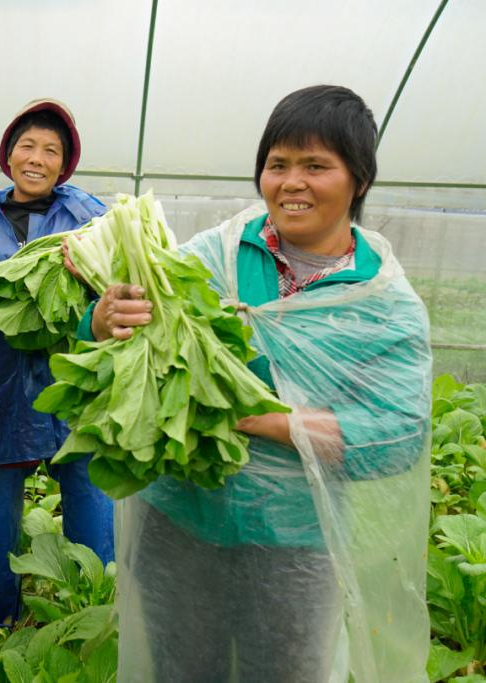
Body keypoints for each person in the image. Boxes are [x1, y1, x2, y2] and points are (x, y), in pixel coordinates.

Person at [87, 85, 432, 682]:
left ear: (360, 180)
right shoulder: (216, 254)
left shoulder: (383, 303)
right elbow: (134, 332)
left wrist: (262, 421)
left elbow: (396, 433)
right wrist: (102, 317)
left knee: (285, 670)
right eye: (277, 165)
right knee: (181, 667)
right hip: (181, 519)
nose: (290, 182)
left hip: (296, 538)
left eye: (315, 165)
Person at [0, 99, 144, 647]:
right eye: (27, 146)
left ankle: (93, 614)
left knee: (91, 504)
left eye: (51, 150)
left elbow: (122, 292)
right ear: (8, 156)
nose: (37, 158)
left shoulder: (91, 217)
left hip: (75, 385)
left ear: (64, 164)